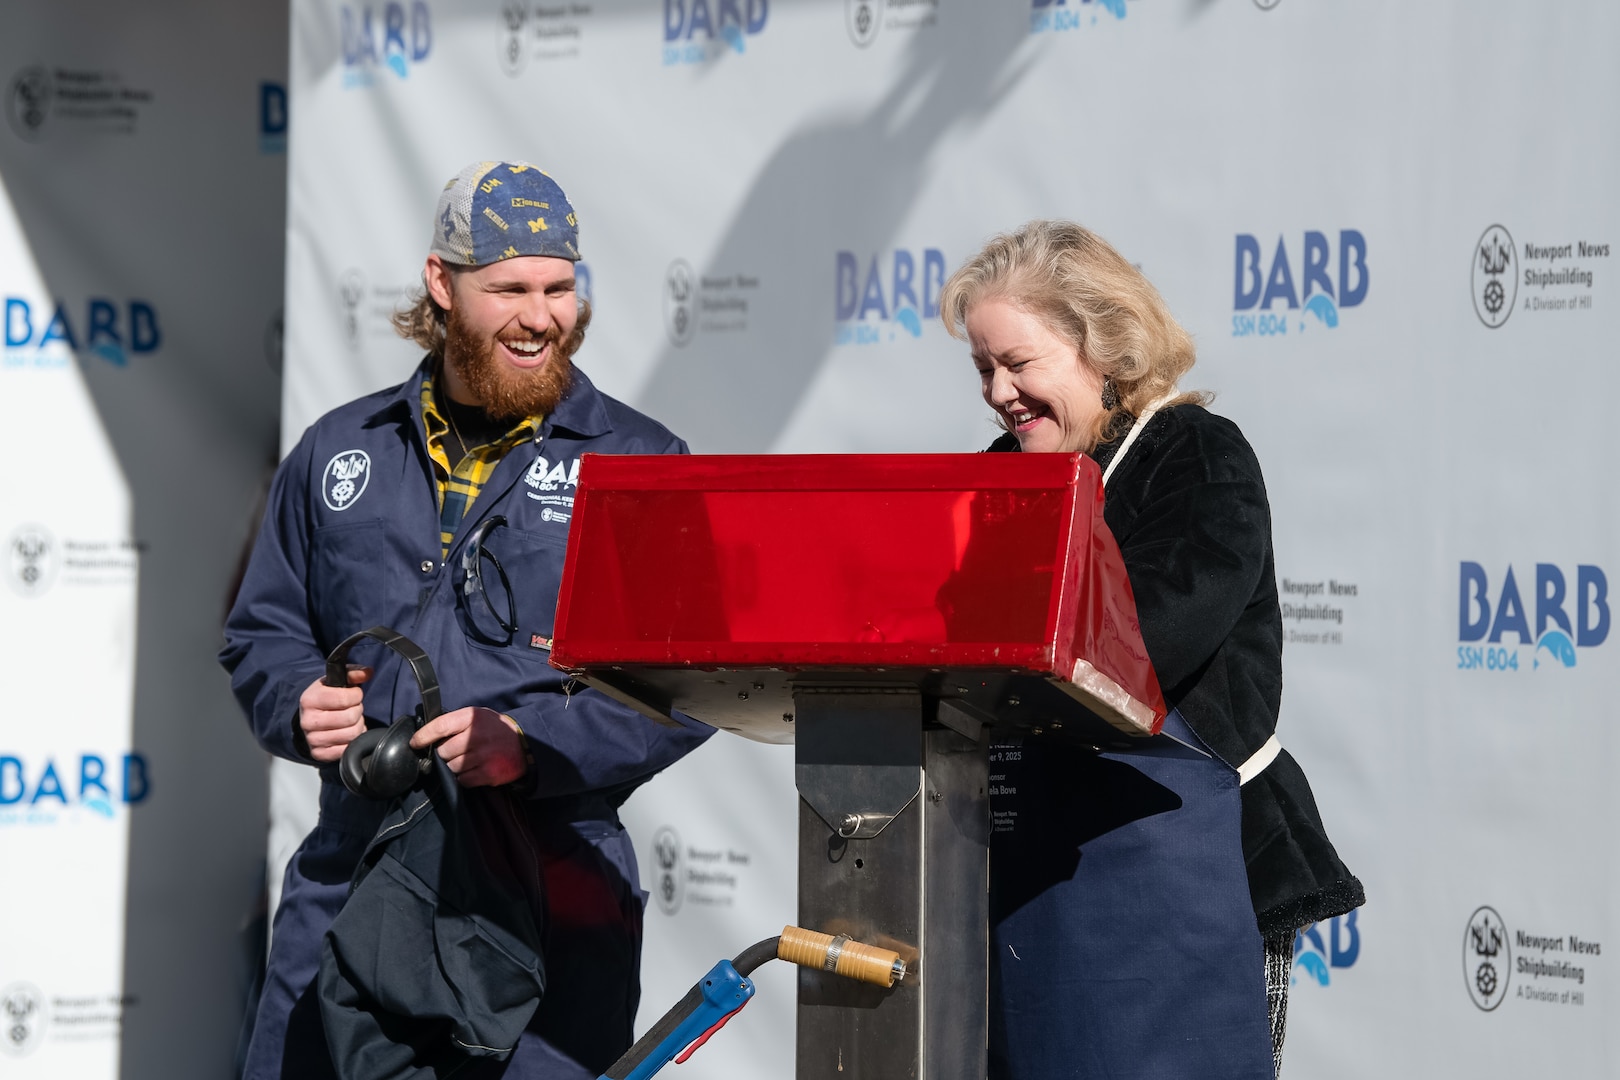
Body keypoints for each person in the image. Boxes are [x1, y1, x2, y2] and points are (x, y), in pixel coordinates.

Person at [221, 161, 712, 1079]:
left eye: (560, 287)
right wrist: (296, 702)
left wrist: (532, 741)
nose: (542, 315)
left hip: (550, 891)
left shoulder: (642, 462)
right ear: (442, 286)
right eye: (511, 288)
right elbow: (262, 628)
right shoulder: (341, 446)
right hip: (352, 871)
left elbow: (692, 686)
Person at [939, 221, 1364, 1079]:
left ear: (1103, 345)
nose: (998, 393)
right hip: (1028, 875)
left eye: (1018, 363)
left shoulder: (1196, 455)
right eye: (984, 368)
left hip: (1177, 877)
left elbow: (1153, 638)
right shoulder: (999, 474)